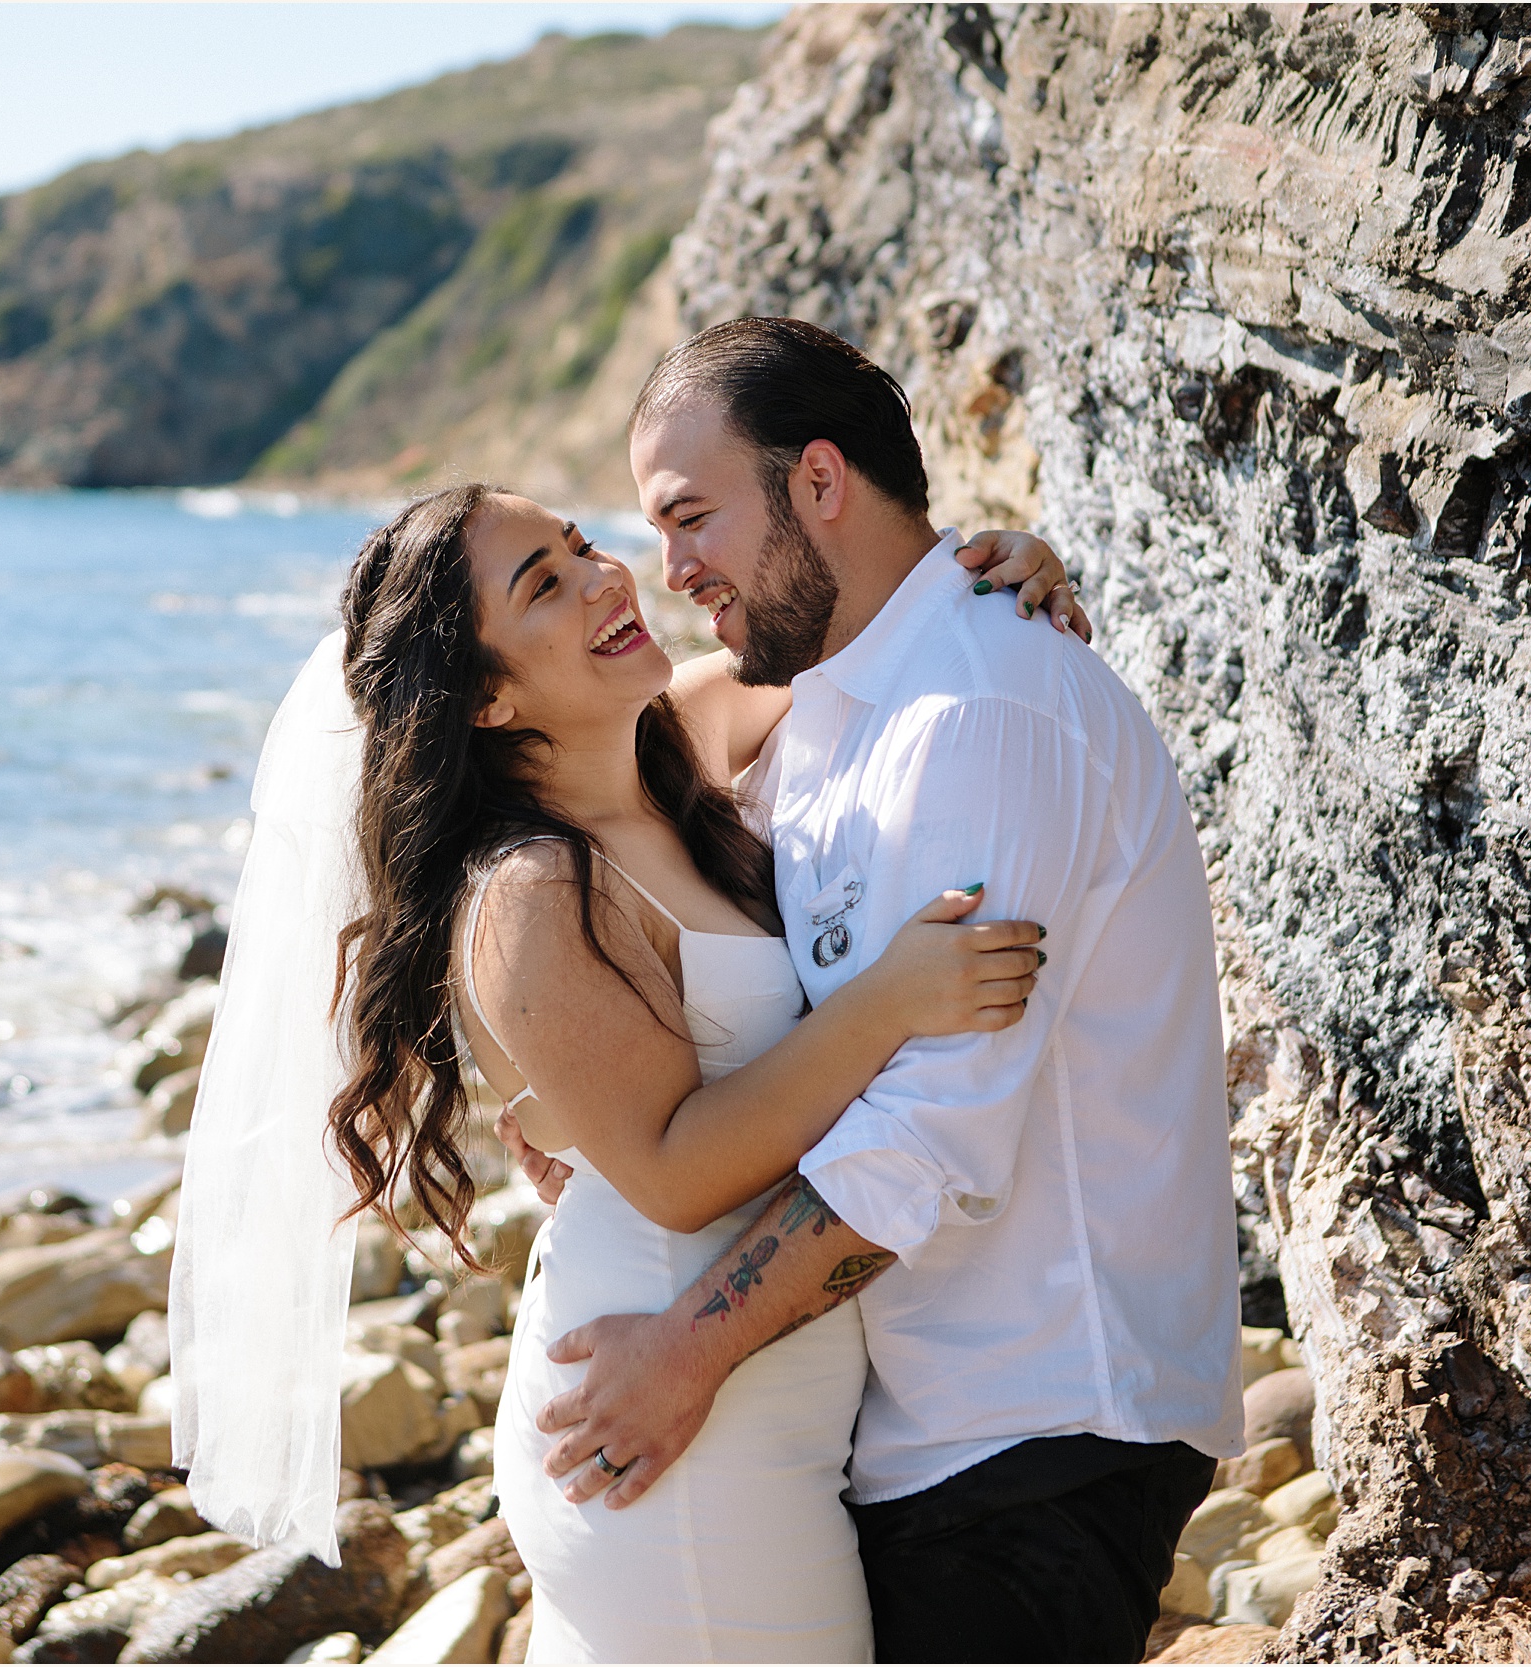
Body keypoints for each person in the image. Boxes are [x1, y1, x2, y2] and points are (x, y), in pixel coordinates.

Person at [169, 478, 1090, 1660]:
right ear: (488, 698)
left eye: (577, 543)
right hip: (669, 1429)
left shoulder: (677, 755)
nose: (607, 575)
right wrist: (888, 1002)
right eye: (542, 583)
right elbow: (671, 1169)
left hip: (761, 1405)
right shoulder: (528, 893)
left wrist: (997, 573)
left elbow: (874, 642)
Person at [517, 317, 1246, 1664]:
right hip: (906, 1425)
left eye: (691, 517)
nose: (668, 573)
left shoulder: (979, 709)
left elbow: (932, 1134)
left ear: (818, 481)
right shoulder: (827, 708)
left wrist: (687, 1347)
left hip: (1038, 1419)